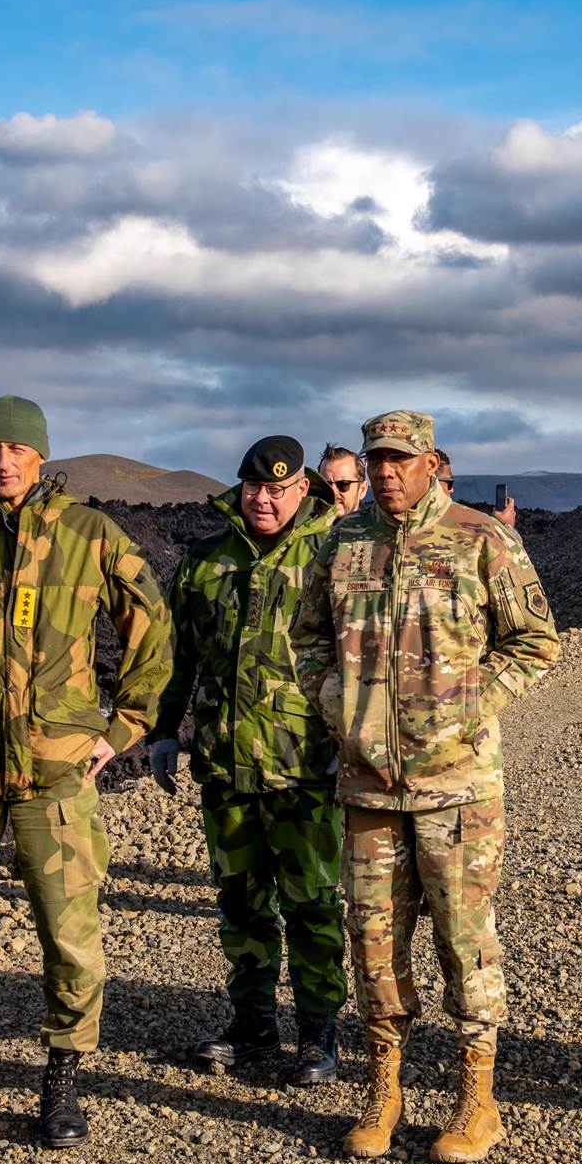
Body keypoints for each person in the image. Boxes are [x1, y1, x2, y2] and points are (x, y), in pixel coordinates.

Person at [0, 395, 172, 1151]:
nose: (3, 460)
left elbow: (152, 631)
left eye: (18, 449)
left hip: (55, 776)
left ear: (41, 456)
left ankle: (62, 1081)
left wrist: (125, 726)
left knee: (70, 933)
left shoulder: (90, 535)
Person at [292, 410, 559, 1164]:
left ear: (432, 462)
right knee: (373, 943)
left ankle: (478, 1097)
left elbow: (537, 641)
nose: (384, 472)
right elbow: (306, 636)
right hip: (368, 786)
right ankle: (385, 1089)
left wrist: (473, 703)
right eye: (375, 459)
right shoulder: (344, 542)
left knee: (464, 943)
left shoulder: (483, 539)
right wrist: (334, 704)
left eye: (399, 460)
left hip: (458, 787)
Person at [149, 435, 347, 1085]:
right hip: (227, 762)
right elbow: (176, 653)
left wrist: (356, 745)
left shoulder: (334, 557)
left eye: (278, 489)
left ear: (302, 492)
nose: (263, 500)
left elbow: (363, 660)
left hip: (306, 765)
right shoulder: (206, 560)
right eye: (254, 487)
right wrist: (163, 731)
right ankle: (253, 1027)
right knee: (241, 903)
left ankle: (319, 1032)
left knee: (313, 905)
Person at [319, 443, 368, 517]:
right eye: (326, 485)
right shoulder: (302, 526)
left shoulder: (379, 527)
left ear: (362, 489)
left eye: (343, 485)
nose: (333, 492)